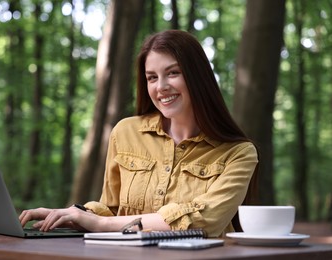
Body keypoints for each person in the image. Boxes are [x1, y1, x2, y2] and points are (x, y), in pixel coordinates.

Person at [19, 30, 259, 237]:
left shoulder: (238, 153)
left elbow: (205, 220)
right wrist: (75, 215)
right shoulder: (126, 132)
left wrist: (100, 224)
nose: (161, 86)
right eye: (151, 78)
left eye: (173, 73)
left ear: (198, 77)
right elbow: (112, 210)